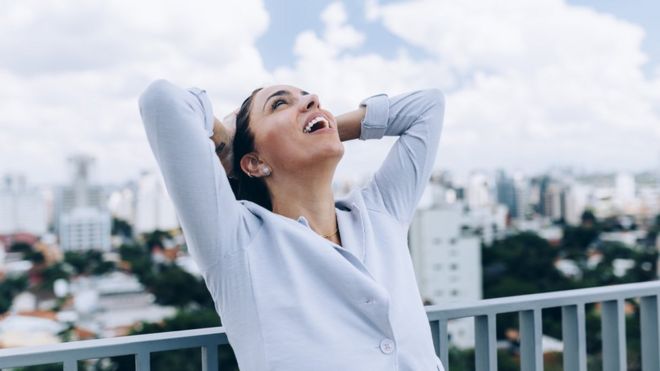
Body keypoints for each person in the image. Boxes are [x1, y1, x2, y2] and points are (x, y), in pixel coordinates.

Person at [138, 79, 446, 371]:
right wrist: (226, 143)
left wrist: (325, 125)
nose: (312, 100)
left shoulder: (380, 212)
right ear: (254, 163)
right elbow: (161, 101)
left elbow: (428, 106)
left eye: (308, 97)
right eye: (279, 104)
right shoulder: (236, 241)